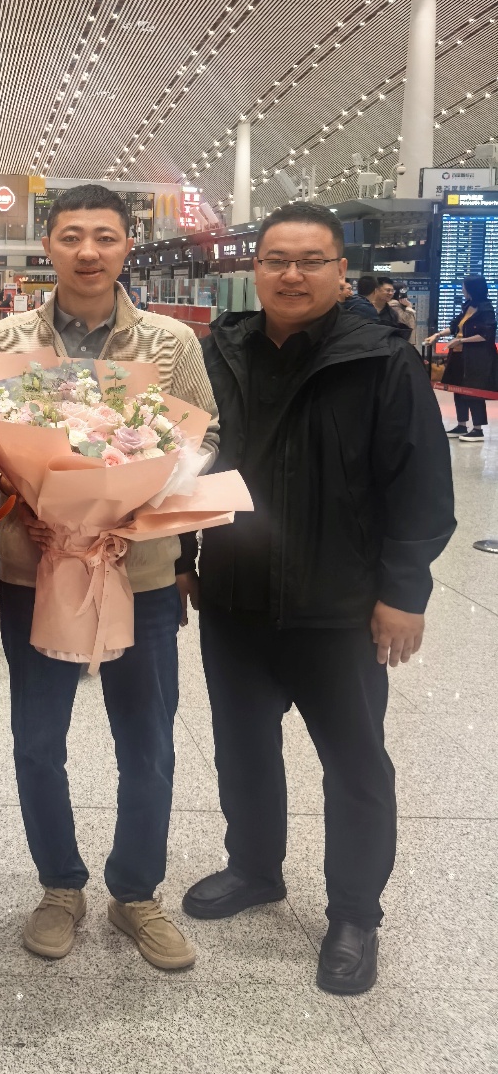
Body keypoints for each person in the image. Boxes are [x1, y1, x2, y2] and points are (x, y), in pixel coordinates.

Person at [177, 203, 455, 995]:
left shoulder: (382, 362)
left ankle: (356, 914)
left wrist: (404, 592)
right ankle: (254, 867)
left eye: (311, 261)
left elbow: (422, 487)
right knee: (242, 748)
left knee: (355, 764)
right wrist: (185, 557)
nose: (291, 275)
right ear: (254, 269)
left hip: (341, 606)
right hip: (236, 598)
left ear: (341, 273)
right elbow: (184, 463)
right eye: (276, 260)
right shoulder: (218, 355)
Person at [0, 185, 219, 972]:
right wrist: (25, 497)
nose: (88, 251)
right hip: (35, 567)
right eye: (72, 236)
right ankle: (59, 886)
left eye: (105, 237)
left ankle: (136, 893)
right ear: (47, 244)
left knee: (147, 744)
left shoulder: (169, 342)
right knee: (37, 740)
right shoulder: (8, 338)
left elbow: (202, 441)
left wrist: (140, 501)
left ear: (127, 246)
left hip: (139, 572)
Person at [426, 274, 498, 441]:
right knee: (457, 388)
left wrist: (460, 340)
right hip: (459, 355)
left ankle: (478, 429)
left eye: (464, 286)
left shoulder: (486, 308)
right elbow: (454, 327)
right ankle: (461, 424)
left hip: (477, 357)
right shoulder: (467, 306)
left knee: (474, 390)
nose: (462, 289)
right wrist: (437, 335)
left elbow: (486, 335)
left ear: (472, 288)